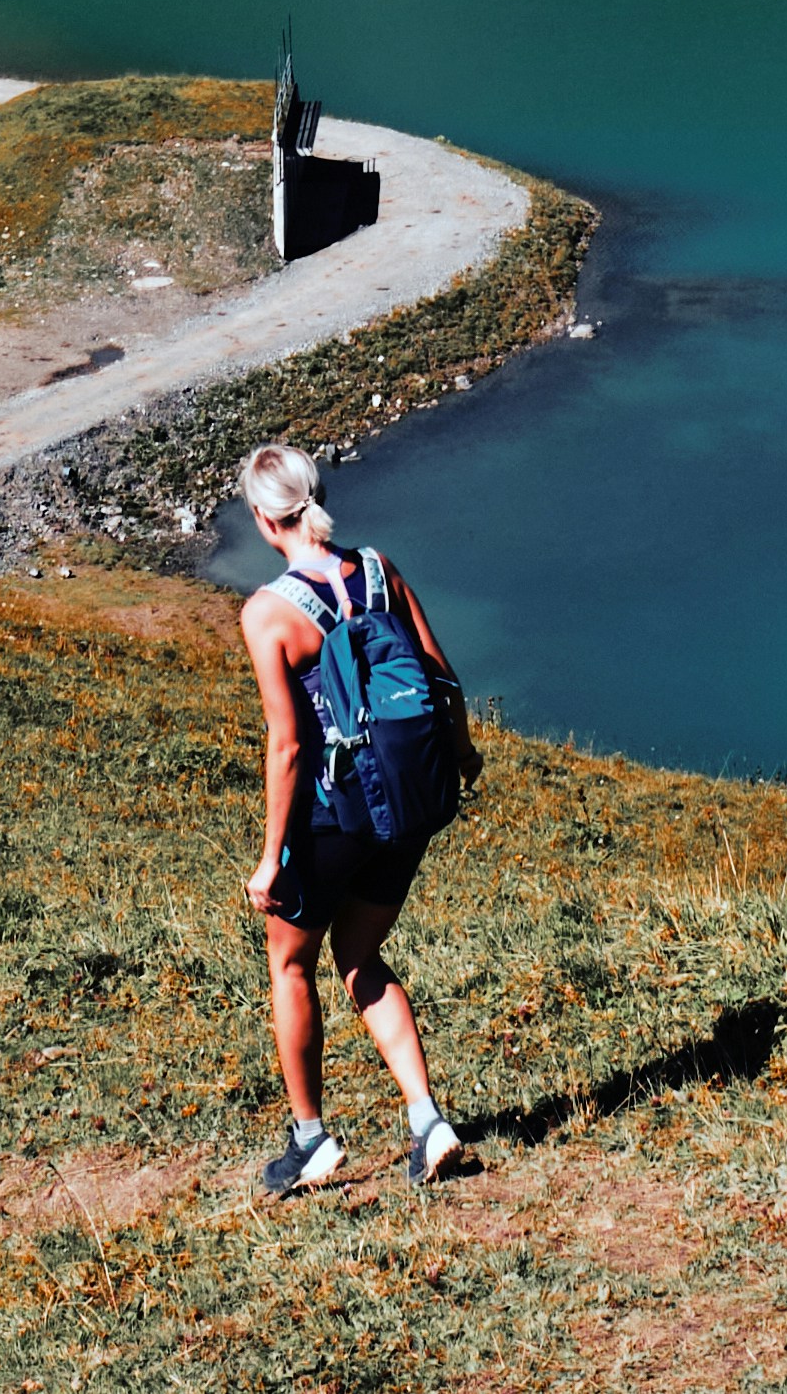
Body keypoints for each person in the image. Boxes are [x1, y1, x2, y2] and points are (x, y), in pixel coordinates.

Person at [238, 441, 473, 1198]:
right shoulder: (379, 568)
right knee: (361, 957)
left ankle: (310, 1141)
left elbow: (287, 744)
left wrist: (272, 855)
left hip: (333, 815)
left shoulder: (269, 612)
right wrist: (460, 755)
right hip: (405, 809)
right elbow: (440, 673)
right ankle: (428, 1119)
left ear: (262, 518)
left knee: (290, 962)